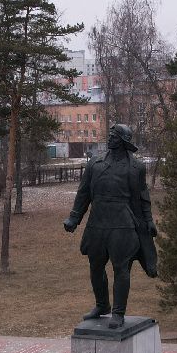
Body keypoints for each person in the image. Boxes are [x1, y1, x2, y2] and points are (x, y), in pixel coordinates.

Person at [64, 123, 158, 328]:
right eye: (111, 135)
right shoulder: (95, 164)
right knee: (95, 265)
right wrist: (74, 218)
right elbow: (84, 193)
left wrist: (149, 221)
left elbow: (143, 198)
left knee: (121, 268)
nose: (110, 138)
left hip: (123, 223)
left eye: (114, 136)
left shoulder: (136, 168)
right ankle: (102, 305)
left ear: (123, 141)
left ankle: (118, 312)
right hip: (97, 222)